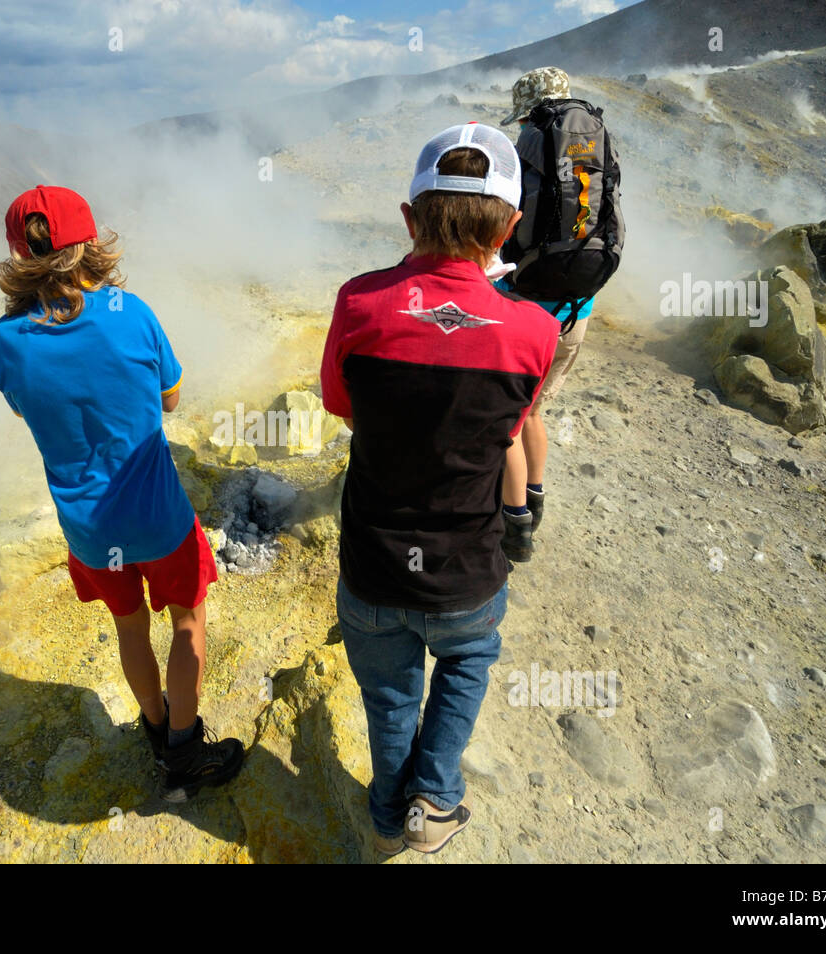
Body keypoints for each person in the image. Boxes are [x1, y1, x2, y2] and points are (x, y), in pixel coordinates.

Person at [321, 125, 557, 855]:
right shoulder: (535, 330)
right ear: (512, 226)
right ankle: (437, 796)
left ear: (408, 217)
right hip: (467, 569)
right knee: (468, 660)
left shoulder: (359, 303)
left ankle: (389, 817)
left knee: (389, 697)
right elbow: (511, 427)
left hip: (374, 566)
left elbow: (339, 403)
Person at [0, 185, 244, 803]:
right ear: (90, 244)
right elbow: (171, 397)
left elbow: (28, 413)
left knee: (129, 629)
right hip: (159, 518)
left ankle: (155, 730)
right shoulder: (132, 312)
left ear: (21, 256)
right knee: (187, 622)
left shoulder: (5, 340)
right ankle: (184, 753)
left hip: (89, 533)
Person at [497, 67, 625, 561]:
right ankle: (536, 496)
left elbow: (507, 225)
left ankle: (515, 527)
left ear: (528, 110)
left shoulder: (528, 143)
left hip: (525, 306)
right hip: (578, 306)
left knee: (505, 416)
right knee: (535, 410)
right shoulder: (596, 139)